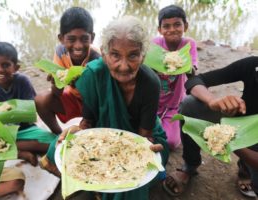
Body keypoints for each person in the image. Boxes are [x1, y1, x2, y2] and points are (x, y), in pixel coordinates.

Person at [57, 16, 169, 200]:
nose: (123, 66)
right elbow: (88, 122)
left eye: (133, 55)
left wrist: (141, 151)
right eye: (115, 55)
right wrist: (78, 131)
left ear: (143, 56)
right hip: (103, 131)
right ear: (103, 53)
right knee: (60, 146)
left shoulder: (150, 83)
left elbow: (144, 135)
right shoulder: (93, 74)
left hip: (141, 138)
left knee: (135, 179)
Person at [163, 56, 258, 198]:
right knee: (190, 105)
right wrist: (212, 101)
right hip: (241, 122)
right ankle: (190, 164)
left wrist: (227, 141)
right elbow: (196, 80)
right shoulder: (253, 65)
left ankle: (246, 167)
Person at [35, 6, 100, 175]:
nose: (78, 46)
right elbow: (57, 92)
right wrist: (56, 82)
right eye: (71, 39)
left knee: (92, 132)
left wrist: (82, 82)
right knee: (41, 100)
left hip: (93, 103)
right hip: (73, 98)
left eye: (84, 39)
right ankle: (58, 133)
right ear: (61, 39)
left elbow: (97, 97)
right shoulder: (60, 52)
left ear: (92, 37)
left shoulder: (96, 58)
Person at [0, 42, 56, 166]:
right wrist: (16, 111)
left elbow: (29, 112)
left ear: (16, 68)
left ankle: (16, 148)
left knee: (53, 142)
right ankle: (21, 153)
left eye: (6, 65)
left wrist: (2, 112)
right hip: (3, 133)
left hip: (26, 129)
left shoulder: (22, 81)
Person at [153, 5, 198, 150]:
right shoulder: (155, 44)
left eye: (177, 24)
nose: (172, 29)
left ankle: (170, 125)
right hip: (153, 101)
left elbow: (192, 72)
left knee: (171, 143)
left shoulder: (189, 44)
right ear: (159, 29)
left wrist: (182, 63)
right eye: (166, 26)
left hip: (174, 104)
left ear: (185, 26)